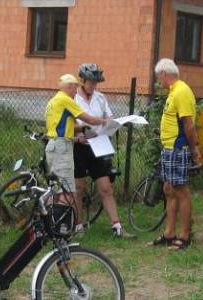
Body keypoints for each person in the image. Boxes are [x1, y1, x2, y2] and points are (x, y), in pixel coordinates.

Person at [71, 63, 130, 238]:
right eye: (90, 82)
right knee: (78, 188)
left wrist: (112, 124)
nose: (93, 86)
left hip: (98, 145)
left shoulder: (100, 98)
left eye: (96, 83)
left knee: (106, 188)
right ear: (82, 81)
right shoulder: (72, 98)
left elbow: (108, 117)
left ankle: (117, 227)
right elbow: (66, 123)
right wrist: (78, 132)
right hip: (79, 147)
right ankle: (78, 226)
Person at [147, 58, 199, 251]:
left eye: (158, 77)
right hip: (168, 148)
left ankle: (185, 236)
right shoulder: (174, 92)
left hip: (178, 148)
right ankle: (169, 233)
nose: (158, 82)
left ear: (163, 74)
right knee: (168, 189)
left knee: (181, 191)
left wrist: (194, 150)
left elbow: (188, 124)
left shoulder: (182, 91)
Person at [45, 74, 107, 232]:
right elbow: (88, 119)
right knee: (67, 191)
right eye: (75, 88)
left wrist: (80, 133)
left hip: (53, 145)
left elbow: (63, 126)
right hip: (62, 148)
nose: (76, 91)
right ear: (70, 87)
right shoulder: (66, 100)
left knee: (56, 189)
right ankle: (62, 228)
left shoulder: (53, 101)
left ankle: (49, 224)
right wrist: (106, 122)